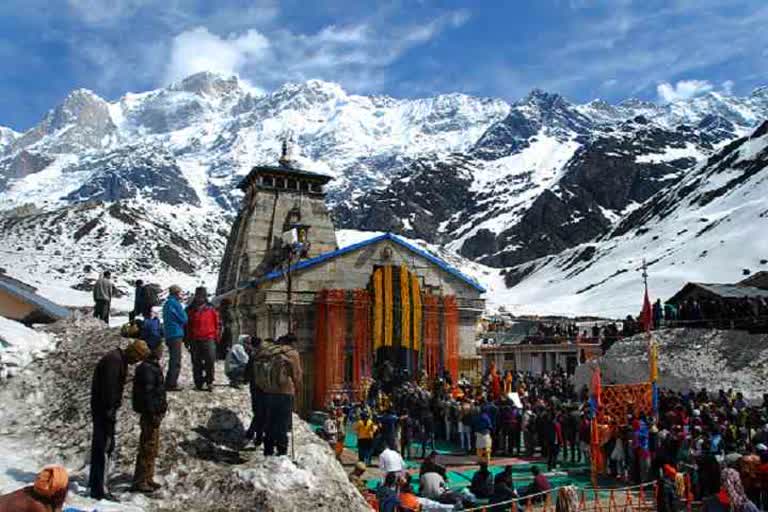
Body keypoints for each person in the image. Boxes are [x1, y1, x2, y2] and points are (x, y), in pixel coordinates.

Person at [89, 340, 150, 501]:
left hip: (103, 410)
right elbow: (109, 390)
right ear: (133, 352)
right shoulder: (115, 362)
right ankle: (99, 489)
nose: (135, 362)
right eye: (137, 358)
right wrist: (110, 411)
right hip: (104, 411)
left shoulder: (116, 359)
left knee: (100, 446)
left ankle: (94, 482)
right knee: (104, 448)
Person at [130, 349, 168, 493]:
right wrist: (153, 413)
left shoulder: (152, 367)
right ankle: (140, 480)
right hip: (150, 414)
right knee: (147, 446)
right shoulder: (147, 369)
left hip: (154, 412)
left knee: (152, 447)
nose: (162, 351)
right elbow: (148, 394)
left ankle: (148, 477)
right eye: (160, 349)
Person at [259, 334, 302, 457]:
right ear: (292, 342)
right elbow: (296, 375)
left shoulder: (271, 352)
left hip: (269, 392)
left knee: (270, 422)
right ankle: (282, 450)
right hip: (285, 392)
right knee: (282, 423)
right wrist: (297, 389)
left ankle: (268, 449)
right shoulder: (292, 353)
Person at [186, 286, 220, 391]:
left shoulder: (212, 309)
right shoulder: (190, 310)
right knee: (196, 363)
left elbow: (217, 324)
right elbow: (187, 326)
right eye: (199, 295)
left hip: (209, 338)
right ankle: (198, 382)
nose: (200, 298)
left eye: (202, 295)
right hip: (194, 339)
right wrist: (187, 339)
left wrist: (217, 337)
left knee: (210, 361)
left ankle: (210, 381)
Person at [0, 465, 69, 512]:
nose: (40, 482)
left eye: (47, 481)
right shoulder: (36, 505)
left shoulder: (29, 489)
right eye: (39, 478)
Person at [162, 285, 187, 391]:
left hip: (169, 333)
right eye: (180, 293)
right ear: (176, 293)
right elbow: (184, 318)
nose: (181, 295)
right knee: (176, 360)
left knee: (173, 358)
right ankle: (171, 383)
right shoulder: (175, 304)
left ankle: (169, 381)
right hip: (176, 333)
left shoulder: (167, 304)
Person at [244, 337, 266, 447]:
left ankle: (253, 434)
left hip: (255, 388)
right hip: (267, 389)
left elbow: (247, 373)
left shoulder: (253, 356)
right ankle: (256, 435)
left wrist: (245, 380)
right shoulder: (268, 355)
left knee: (258, 412)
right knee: (261, 413)